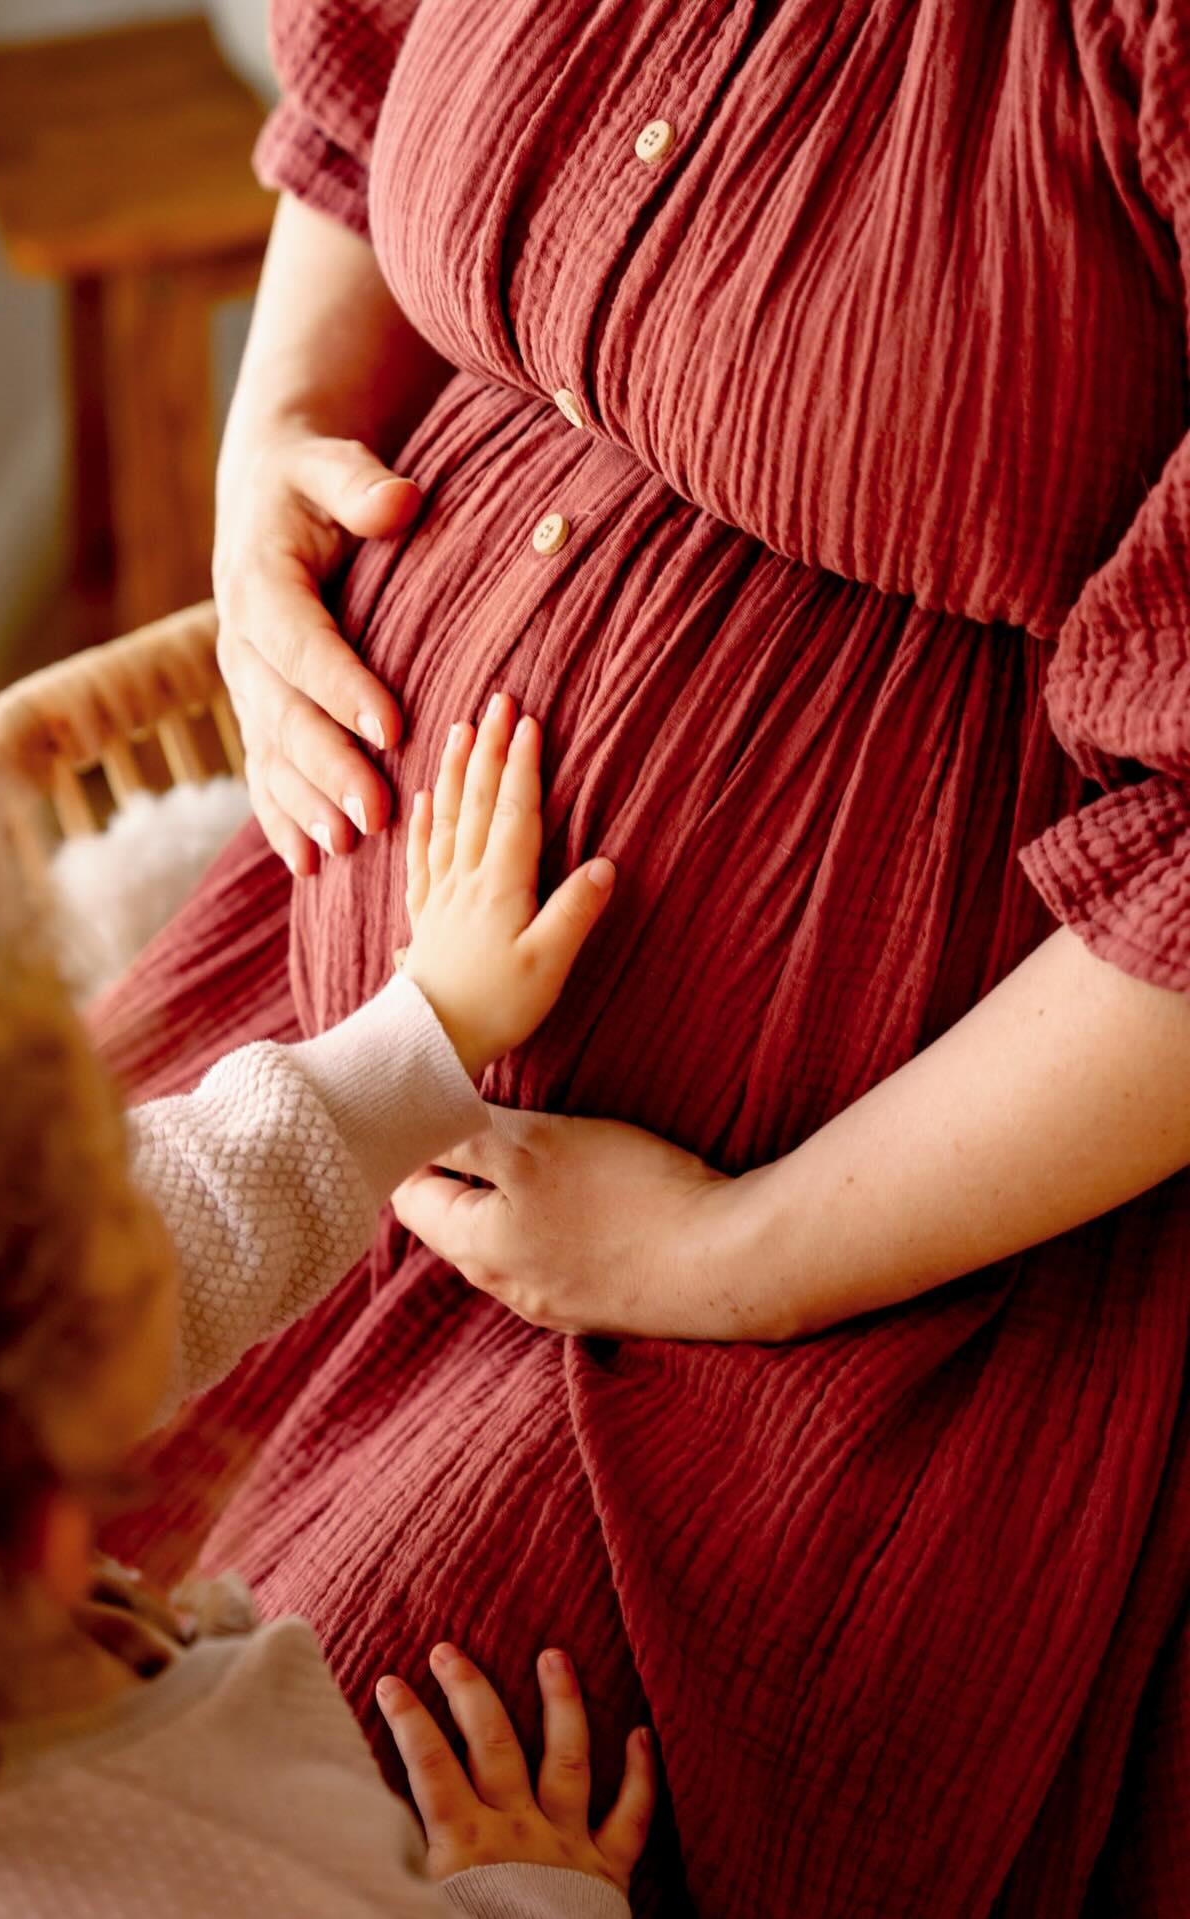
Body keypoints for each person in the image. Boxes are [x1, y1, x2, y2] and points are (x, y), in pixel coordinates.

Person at [92, 2, 1190, 1912]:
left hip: (862, 1267)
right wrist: (274, 447)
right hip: (315, 1047)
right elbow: (358, 112)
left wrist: (731, 1261)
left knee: (298, 1835)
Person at [0, 711, 659, 1917]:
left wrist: (420, 1029)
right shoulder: (190, 1872)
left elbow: (202, 1201)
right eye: (97, 1164)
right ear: (45, 1389)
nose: (145, 1159)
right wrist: (542, 1893)